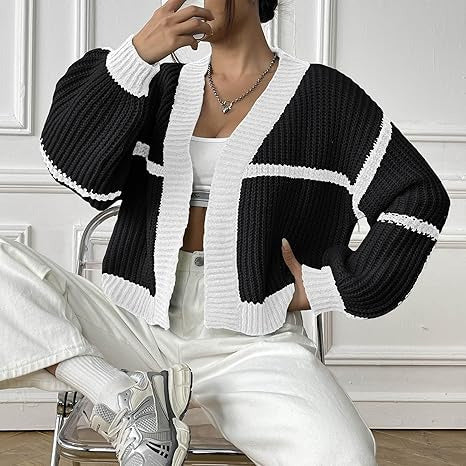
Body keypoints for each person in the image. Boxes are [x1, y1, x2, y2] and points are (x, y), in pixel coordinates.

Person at [0, 0, 450, 465]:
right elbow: (74, 170)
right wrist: (137, 55)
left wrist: (330, 285)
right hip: (134, 323)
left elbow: (418, 196)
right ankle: (123, 398)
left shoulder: (325, 97)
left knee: (345, 457)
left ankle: (133, 400)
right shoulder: (159, 86)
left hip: (250, 340)